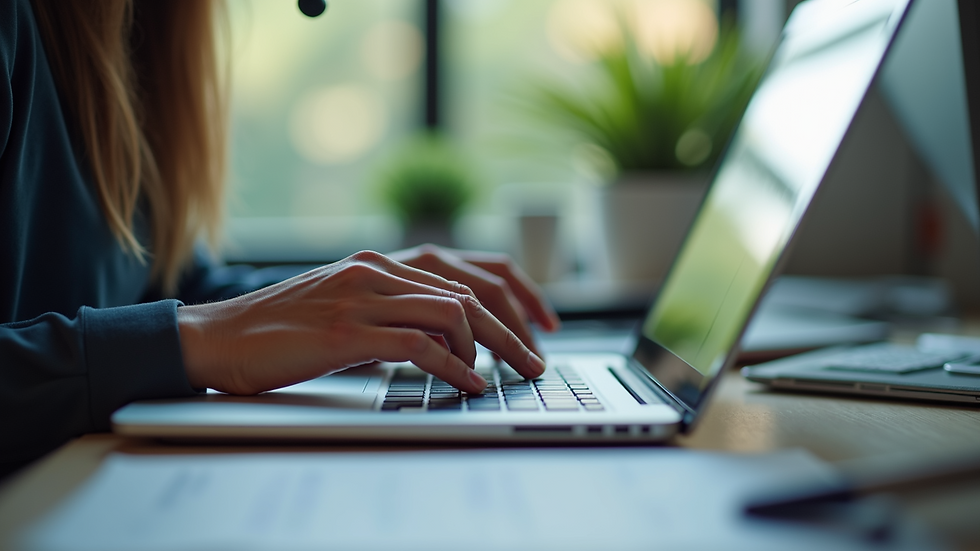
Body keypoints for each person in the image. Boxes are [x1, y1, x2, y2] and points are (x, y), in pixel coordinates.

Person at [0, 0, 560, 478]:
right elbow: (192, 326)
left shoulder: (148, 30)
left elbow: (172, 286)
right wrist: (202, 341)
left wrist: (356, 305)